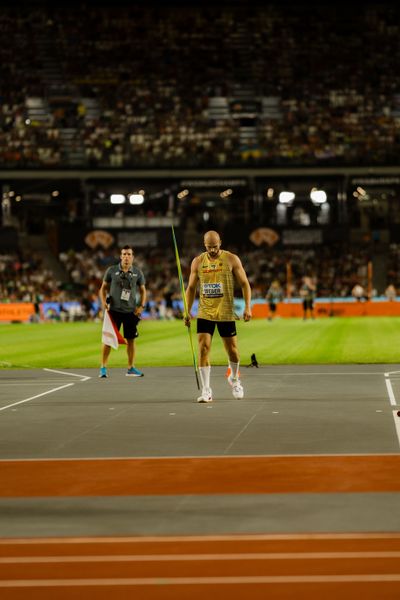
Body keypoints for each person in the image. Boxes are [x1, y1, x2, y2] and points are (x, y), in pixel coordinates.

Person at [185, 230, 252, 403]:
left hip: (226, 312)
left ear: (220, 243)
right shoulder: (198, 261)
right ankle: (206, 390)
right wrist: (187, 310)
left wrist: (247, 307)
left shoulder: (231, 259)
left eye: (215, 246)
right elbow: (191, 288)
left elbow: (245, 284)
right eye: (209, 247)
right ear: (204, 245)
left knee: (233, 352)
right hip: (205, 311)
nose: (212, 250)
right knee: (203, 349)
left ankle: (235, 379)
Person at [99, 245, 146, 378]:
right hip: (114, 311)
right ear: (120, 256)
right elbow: (102, 289)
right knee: (108, 340)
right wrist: (103, 303)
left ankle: (131, 368)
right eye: (124, 254)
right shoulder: (111, 271)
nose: (126, 256)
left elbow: (143, 290)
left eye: (129, 254)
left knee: (131, 340)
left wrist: (141, 306)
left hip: (131, 312)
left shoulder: (137, 272)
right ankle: (103, 367)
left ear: (132, 257)